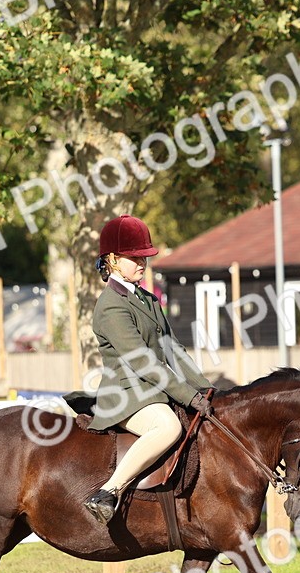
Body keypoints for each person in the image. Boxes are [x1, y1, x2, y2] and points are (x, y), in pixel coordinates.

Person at [78, 214, 214, 524]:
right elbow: (143, 361)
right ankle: (108, 492)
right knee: (168, 427)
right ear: (112, 260)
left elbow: (173, 351)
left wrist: (205, 389)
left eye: (145, 257)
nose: (142, 262)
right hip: (126, 396)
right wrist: (188, 397)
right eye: (134, 256)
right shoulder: (111, 304)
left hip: (154, 391)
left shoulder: (148, 300)